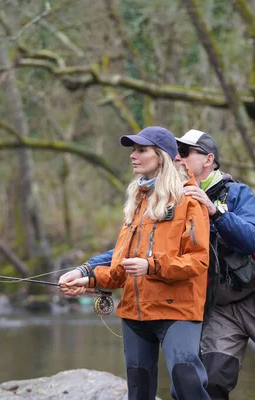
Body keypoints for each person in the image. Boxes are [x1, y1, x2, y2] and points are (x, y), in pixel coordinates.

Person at [62, 129, 255, 400]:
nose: (177, 157)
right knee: (207, 384)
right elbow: (132, 249)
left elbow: (253, 240)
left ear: (209, 159)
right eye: (175, 152)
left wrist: (214, 211)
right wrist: (87, 270)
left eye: (184, 152)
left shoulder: (237, 193)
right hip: (215, 306)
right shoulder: (163, 196)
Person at [60, 126, 212, 400]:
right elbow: (119, 268)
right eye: (133, 150)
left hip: (177, 311)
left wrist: (151, 266)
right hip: (134, 314)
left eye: (141, 150)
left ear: (162, 156)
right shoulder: (136, 201)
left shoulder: (190, 200)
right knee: (138, 390)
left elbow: (198, 261)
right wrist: (88, 280)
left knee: (187, 382)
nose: (134, 156)